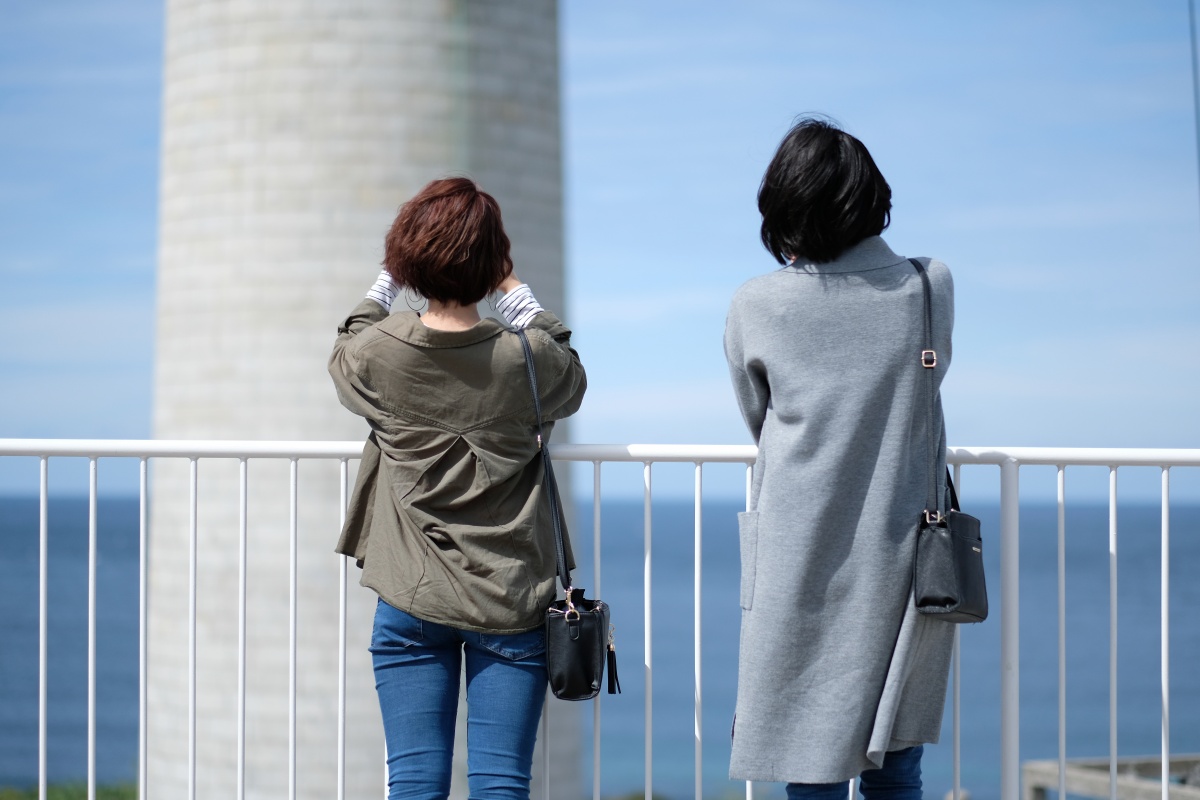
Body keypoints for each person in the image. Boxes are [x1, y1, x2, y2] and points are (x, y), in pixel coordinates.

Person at [328, 177, 586, 800]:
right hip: (510, 597)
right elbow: (569, 373)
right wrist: (514, 291)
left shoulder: (379, 352)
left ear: (408, 258)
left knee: (413, 782)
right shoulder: (524, 358)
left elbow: (343, 349)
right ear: (492, 262)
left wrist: (386, 281)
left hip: (411, 596)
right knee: (501, 782)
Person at [723, 118, 956, 799]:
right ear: (870, 197)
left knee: (809, 760)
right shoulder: (927, 284)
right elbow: (924, 389)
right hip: (906, 552)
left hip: (799, 548)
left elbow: (757, 416)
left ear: (785, 205)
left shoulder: (757, 304)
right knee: (897, 760)